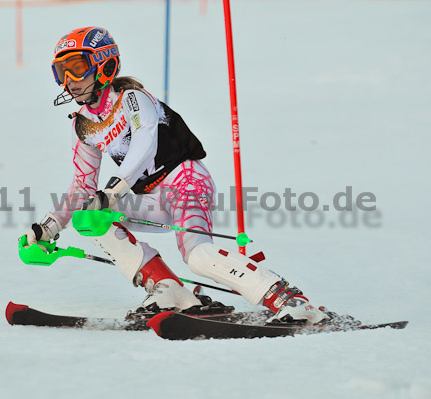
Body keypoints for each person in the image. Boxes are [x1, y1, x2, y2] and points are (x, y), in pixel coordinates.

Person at [24, 26, 329, 324]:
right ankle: (167, 289)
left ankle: (290, 301)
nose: (69, 80)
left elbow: (144, 142)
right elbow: (81, 185)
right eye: (61, 71)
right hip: (152, 197)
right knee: (90, 217)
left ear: (104, 64)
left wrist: (114, 191)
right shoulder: (84, 124)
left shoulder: (131, 98)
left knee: (196, 256)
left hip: (186, 182)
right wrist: (48, 228)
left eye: (76, 67)